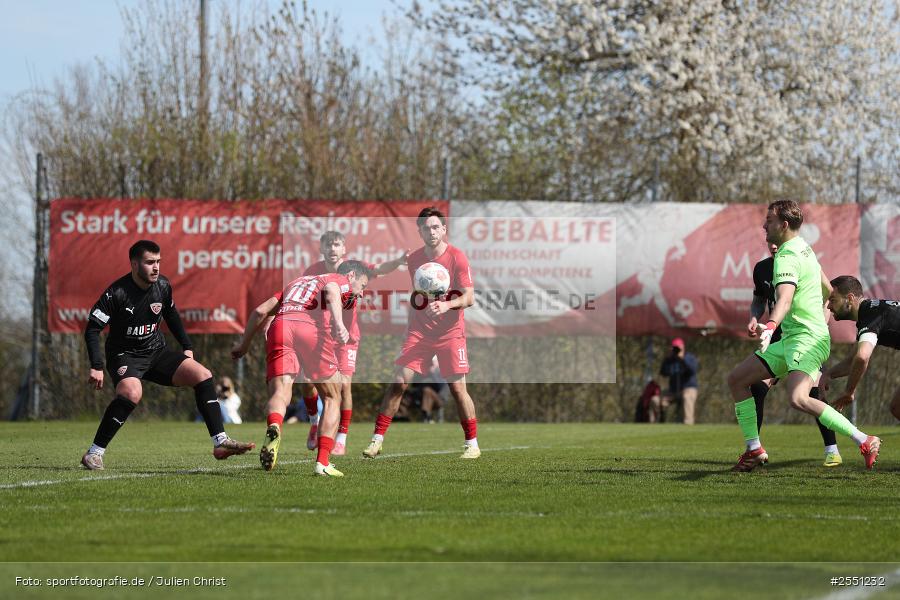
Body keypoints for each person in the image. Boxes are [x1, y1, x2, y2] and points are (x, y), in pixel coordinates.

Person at [725, 201, 880, 471]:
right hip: (793, 339)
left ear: (784, 225)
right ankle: (754, 449)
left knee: (798, 398)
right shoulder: (805, 248)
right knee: (737, 379)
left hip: (804, 340)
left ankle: (864, 439)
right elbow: (826, 288)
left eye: (769, 221)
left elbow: (784, 299)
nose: (765, 225)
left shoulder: (786, 256)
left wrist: (771, 325)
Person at [81, 240, 255, 470]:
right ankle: (94, 453)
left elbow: (171, 315)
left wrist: (187, 346)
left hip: (156, 352)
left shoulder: (162, 286)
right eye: (150, 262)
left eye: (158, 262)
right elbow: (92, 328)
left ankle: (220, 442)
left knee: (202, 374)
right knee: (132, 392)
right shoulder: (117, 293)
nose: (156, 267)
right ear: (134, 264)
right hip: (125, 355)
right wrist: (96, 365)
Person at [231, 260, 371, 477]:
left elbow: (260, 311)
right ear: (352, 275)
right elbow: (332, 291)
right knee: (333, 396)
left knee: (281, 390)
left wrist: (244, 344)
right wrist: (340, 324)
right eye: (362, 286)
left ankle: (275, 426)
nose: (361, 294)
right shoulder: (338, 278)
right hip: (311, 330)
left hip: (281, 326)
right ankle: (323, 463)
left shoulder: (296, 283)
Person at [362, 207, 480, 460]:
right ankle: (377, 440)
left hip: (451, 333)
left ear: (444, 229)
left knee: (458, 390)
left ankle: (472, 443)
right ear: (420, 231)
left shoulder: (457, 257)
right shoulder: (415, 259)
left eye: (436, 227)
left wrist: (447, 305)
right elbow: (417, 294)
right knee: (398, 383)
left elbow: (469, 297)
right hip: (419, 333)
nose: (431, 231)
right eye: (426, 227)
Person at [296, 231, 407, 456]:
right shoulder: (313, 272)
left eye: (337, 244)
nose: (332, 249)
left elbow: (380, 269)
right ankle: (314, 422)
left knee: (345, 385)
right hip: (321, 335)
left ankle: (341, 439)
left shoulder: (353, 268)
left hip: (347, 338)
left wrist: (397, 262)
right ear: (321, 249)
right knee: (306, 381)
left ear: (343, 249)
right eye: (328, 245)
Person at [748, 242, 842, 467]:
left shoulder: (802, 260)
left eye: (776, 239)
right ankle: (754, 449)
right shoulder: (761, 268)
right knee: (757, 387)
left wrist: (819, 324)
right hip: (777, 339)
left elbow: (828, 294)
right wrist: (754, 317)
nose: (772, 244)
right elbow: (759, 300)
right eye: (768, 237)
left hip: (802, 338)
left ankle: (833, 449)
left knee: (813, 392)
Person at [822, 275, 900, 420]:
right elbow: (854, 360)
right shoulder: (871, 311)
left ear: (850, 298)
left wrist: (849, 391)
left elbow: (862, 357)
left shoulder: (870, 315)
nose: (828, 306)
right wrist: (828, 374)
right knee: (897, 408)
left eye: (833, 300)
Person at [653, 338, 698, 424]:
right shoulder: (670, 360)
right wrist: (667, 359)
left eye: (678, 348)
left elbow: (692, 370)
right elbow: (663, 373)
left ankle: (688, 423)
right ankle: (656, 423)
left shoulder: (689, 357)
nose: (676, 350)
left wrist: (682, 359)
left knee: (687, 397)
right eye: (674, 348)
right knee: (655, 400)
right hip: (673, 391)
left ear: (683, 347)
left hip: (688, 389)